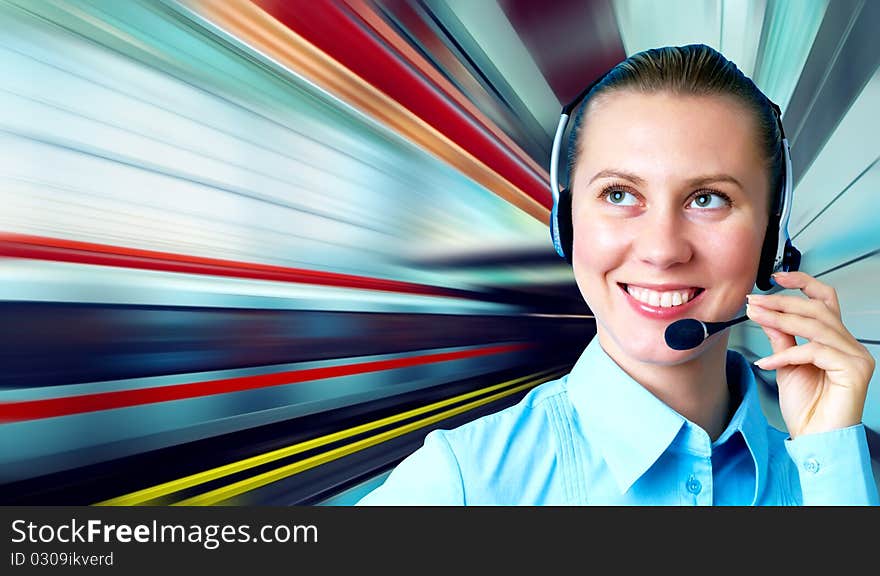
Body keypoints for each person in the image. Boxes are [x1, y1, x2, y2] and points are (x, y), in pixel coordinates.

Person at [357, 44, 878, 505]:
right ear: (566, 220)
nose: (661, 249)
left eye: (707, 199)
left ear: (771, 234)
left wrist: (831, 462)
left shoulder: (832, 476)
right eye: (619, 194)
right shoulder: (465, 482)